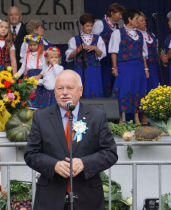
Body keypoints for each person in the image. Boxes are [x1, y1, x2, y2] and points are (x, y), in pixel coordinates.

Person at [24, 70, 118, 210]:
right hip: (51, 198)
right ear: (54, 92)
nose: (64, 92)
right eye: (60, 88)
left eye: (70, 88)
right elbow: (31, 154)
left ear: (80, 90)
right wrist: (53, 165)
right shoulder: (41, 118)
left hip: (87, 198)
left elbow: (110, 153)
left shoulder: (96, 117)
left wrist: (84, 163)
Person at [109, 8, 149, 124]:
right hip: (125, 66)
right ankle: (120, 119)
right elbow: (113, 51)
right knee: (124, 90)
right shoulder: (118, 33)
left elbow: (144, 54)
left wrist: (146, 68)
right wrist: (114, 67)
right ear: (129, 20)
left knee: (138, 90)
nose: (138, 21)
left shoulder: (140, 35)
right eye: (136, 19)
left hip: (138, 67)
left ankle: (137, 118)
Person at [66, 13, 106, 98]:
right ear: (81, 26)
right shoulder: (75, 39)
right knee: (80, 90)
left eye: (91, 26)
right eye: (87, 26)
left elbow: (102, 54)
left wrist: (95, 48)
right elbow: (69, 57)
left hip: (94, 69)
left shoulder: (98, 38)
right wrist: (78, 49)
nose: (89, 28)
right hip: (80, 69)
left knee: (94, 90)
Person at [92, 3, 125, 97]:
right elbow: (94, 40)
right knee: (105, 81)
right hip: (104, 59)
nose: (121, 17)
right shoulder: (100, 24)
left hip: (114, 59)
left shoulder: (117, 27)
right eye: (119, 14)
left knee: (115, 82)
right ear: (112, 13)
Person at [17, 34, 45, 109]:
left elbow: (46, 68)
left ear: (39, 44)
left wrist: (39, 76)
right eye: (30, 45)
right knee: (30, 99)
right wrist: (14, 77)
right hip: (30, 78)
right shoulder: (27, 55)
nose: (32, 47)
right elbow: (22, 68)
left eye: (34, 45)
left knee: (39, 98)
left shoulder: (43, 54)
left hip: (39, 77)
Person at [137, 12, 159, 92]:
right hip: (142, 66)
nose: (144, 22)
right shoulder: (136, 35)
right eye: (141, 21)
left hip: (153, 65)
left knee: (154, 86)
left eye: (144, 20)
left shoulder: (151, 34)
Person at [7, 6, 28, 71]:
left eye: (16, 14)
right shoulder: (4, 29)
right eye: (11, 15)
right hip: (7, 65)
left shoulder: (27, 29)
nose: (13, 17)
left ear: (20, 16)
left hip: (23, 65)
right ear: (8, 17)